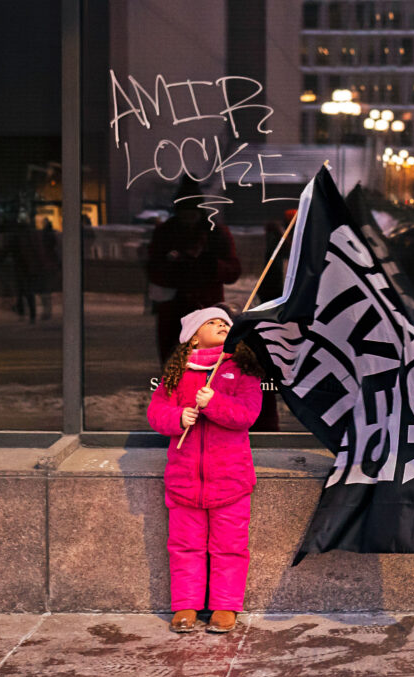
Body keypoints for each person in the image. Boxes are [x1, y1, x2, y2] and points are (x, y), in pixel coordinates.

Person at [147, 307, 263, 634]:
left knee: (230, 547)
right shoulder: (178, 373)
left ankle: (225, 606)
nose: (221, 325)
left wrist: (214, 403)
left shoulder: (241, 370)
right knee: (185, 547)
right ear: (193, 337)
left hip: (231, 481)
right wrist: (177, 417)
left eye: (225, 322)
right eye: (212, 322)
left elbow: (247, 414)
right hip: (184, 482)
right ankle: (186, 605)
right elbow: (156, 411)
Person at [147, 177, 242, 363]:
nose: (188, 220)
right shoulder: (165, 233)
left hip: (206, 309)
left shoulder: (216, 234)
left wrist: (211, 265)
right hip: (174, 311)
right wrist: (177, 267)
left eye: (192, 214)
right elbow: (154, 269)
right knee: (174, 364)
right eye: (184, 214)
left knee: (206, 364)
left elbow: (233, 271)